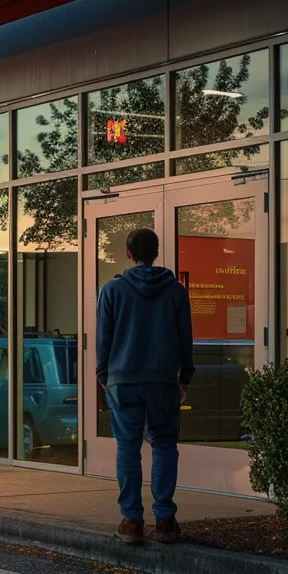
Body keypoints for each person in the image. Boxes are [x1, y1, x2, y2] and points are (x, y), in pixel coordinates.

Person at [95, 227, 194, 545]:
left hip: (123, 380)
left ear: (129, 253)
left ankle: (132, 522)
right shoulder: (176, 291)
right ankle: (164, 520)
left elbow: (104, 340)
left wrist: (103, 375)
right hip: (163, 380)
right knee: (165, 445)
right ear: (156, 251)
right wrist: (185, 377)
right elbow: (185, 338)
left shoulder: (113, 290)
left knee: (128, 447)